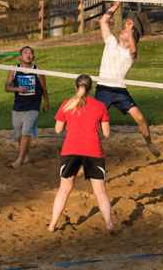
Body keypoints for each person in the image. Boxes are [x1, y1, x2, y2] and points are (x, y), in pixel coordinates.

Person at [48, 74, 116, 235]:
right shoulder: (100, 106)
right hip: (93, 150)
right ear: (91, 88)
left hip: (71, 149)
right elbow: (106, 134)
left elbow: (58, 130)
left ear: (75, 87)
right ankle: (109, 225)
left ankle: (52, 225)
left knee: (64, 189)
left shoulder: (67, 104)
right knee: (100, 191)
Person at [94, 0, 159, 157]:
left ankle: (149, 143)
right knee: (92, 123)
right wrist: (116, 5)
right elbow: (103, 21)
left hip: (119, 91)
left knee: (140, 118)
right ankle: (89, 152)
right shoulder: (110, 42)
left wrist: (130, 31)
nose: (123, 31)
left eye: (127, 32)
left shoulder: (130, 54)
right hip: (103, 88)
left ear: (131, 39)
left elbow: (134, 50)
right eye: (123, 31)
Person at [4, 45, 50, 168]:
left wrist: (46, 103)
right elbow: (7, 87)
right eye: (25, 53)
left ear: (33, 57)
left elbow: (44, 88)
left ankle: (19, 159)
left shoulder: (38, 70)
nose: (28, 55)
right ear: (20, 56)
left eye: (30, 53)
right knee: (18, 134)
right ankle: (27, 155)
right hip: (18, 106)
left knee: (26, 132)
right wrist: (17, 88)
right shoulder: (14, 70)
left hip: (33, 106)